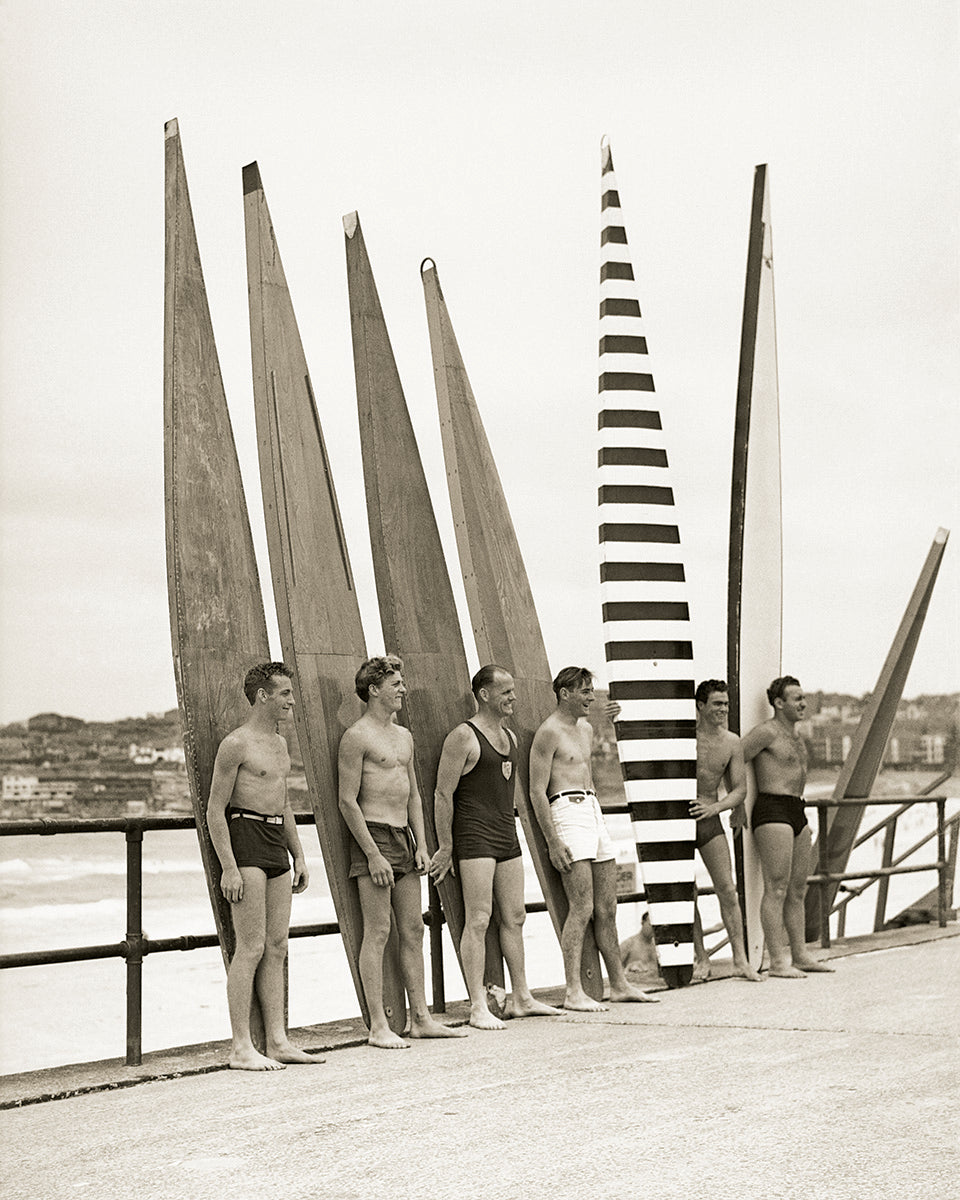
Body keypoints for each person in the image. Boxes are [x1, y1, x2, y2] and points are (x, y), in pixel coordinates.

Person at [338, 655, 468, 1048]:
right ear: (374, 689)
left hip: (404, 838)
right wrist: (373, 854)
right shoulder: (356, 736)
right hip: (373, 837)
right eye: (395, 683)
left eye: (402, 682)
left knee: (413, 929)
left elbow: (413, 794)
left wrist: (423, 843)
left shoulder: (404, 736)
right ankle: (378, 1025)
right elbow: (347, 801)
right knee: (377, 931)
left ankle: (421, 1017)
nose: (403, 689)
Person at [206, 661, 325, 1070]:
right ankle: (241, 1046)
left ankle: (277, 1040)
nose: (292, 700)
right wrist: (229, 867)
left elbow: (284, 801)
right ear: (263, 696)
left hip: (276, 840)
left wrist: (300, 854)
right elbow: (215, 810)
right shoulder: (236, 744)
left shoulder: (279, 744)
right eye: (285, 693)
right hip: (246, 838)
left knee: (277, 946)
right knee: (251, 946)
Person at [429, 665, 562, 1030]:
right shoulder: (463, 736)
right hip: (474, 837)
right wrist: (445, 846)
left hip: (506, 833)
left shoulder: (511, 738)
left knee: (515, 917)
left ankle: (521, 997)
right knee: (478, 919)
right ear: (484, 694)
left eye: (514, 691)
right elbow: (443, 793)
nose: (513, 698)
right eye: (505, 691)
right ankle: (476, 1006)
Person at [529, 666, 657, 1011]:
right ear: (564, 693)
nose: (590, 697)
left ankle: (618, 983)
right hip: (565, 810)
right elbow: (537, 791)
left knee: (608, 907)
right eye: (584, 691)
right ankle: (573, 990)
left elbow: (586, 767)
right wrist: (553, 841)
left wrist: (611, 720)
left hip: (592, 808)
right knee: (581, 906)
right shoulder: (548, 733)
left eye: (591, 691)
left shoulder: (584, 729)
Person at [742, 676, 834, 978]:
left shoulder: (796, 735)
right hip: (772, 809)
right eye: (797, 698)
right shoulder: (766, 733)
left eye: (803, 697)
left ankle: (800, 954)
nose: (803, 703)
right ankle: (778, 961)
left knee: (798, 888)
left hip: (797, 808)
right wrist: (734, 799)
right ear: (779, 703)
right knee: (777, 887)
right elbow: (734, 757)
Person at [691, 679, 763, 982]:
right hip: (675, 821)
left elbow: (739, 790)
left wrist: (716, 808)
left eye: (726, 704)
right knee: (684, 893)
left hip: (708, 816)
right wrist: (619, 715)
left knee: (728, 889)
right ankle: (701, 957)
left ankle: (740, 960)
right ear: (700, 706)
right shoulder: (684, 735)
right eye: (717, 704)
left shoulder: (731, 742)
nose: (723, 709)